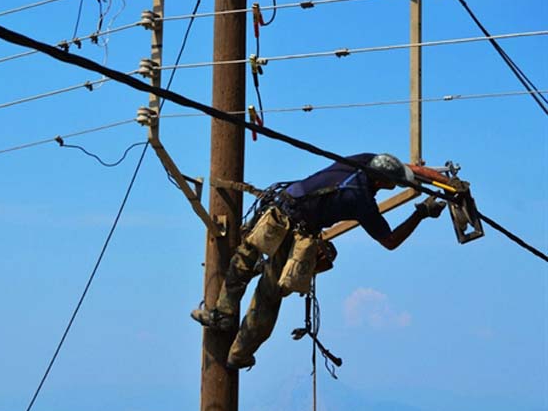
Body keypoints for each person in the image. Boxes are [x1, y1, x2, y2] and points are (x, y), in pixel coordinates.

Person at [191, 153, 446, 370]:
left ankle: (226, 320)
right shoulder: (362, 202)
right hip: (292, 226)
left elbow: (407, 169)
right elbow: (390, 240)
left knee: (244, 263)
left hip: (282, 213)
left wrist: (441, 181)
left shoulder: (365, 160)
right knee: (267, 292)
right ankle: (237, 350)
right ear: (381, 180)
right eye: (389, 184)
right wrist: (421, 213)